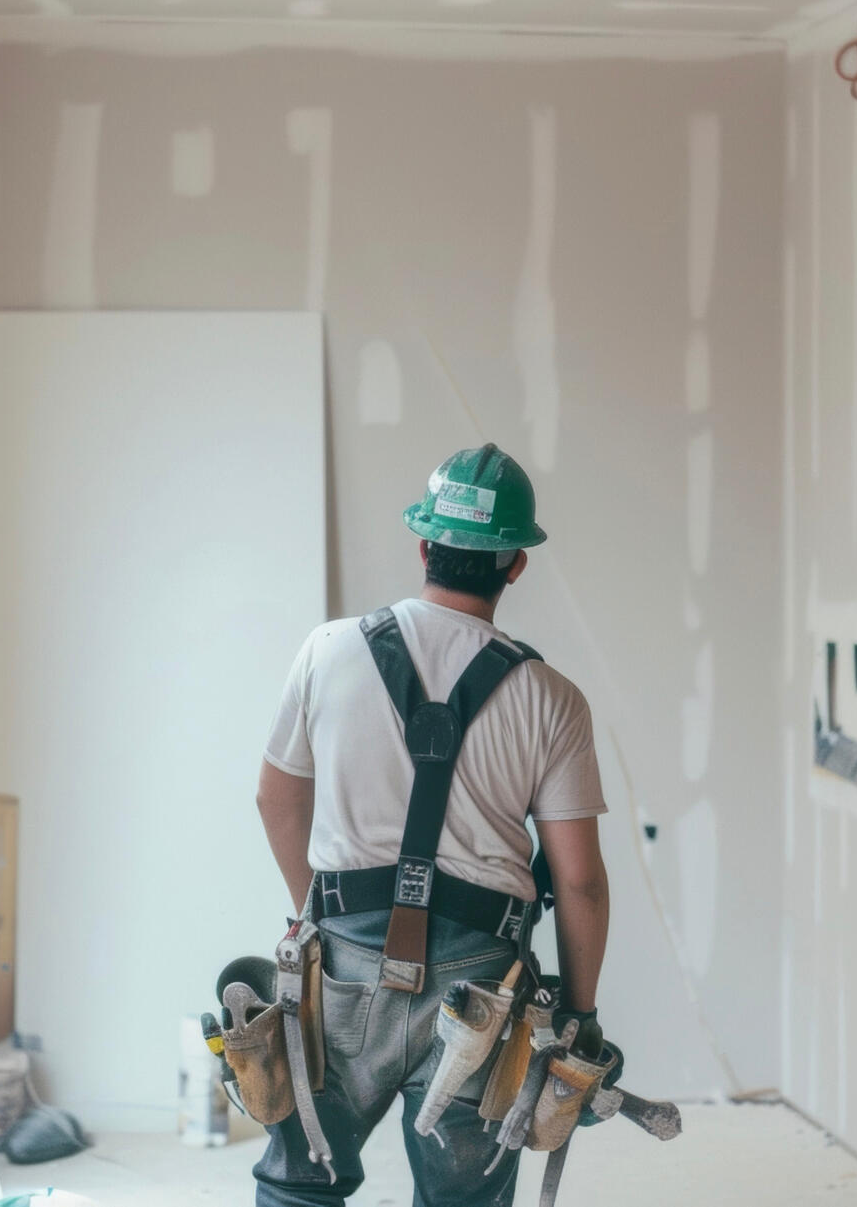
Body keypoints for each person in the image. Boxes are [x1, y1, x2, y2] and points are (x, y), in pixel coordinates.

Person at [252, 444, 611, 1207]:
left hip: (344, 964)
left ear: (424, 545)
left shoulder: (328, 650)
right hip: (481, 988)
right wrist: (579, 1013)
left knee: (300, 1185)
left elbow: (275, 800)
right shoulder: (552, 698)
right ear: (516, 564)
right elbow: (578, 878)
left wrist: (315, 915)